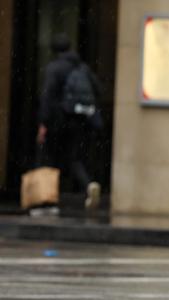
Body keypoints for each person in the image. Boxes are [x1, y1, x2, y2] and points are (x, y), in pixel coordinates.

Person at [37, 33, 102, 211]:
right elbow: (98, 89)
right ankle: (88, 185)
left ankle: (48, 199)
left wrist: (43, 122)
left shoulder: (54, 68)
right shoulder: (82, 67)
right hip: (80, 121)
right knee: (74, 159)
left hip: (59, 120)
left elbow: (47, 96)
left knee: (50, 159)